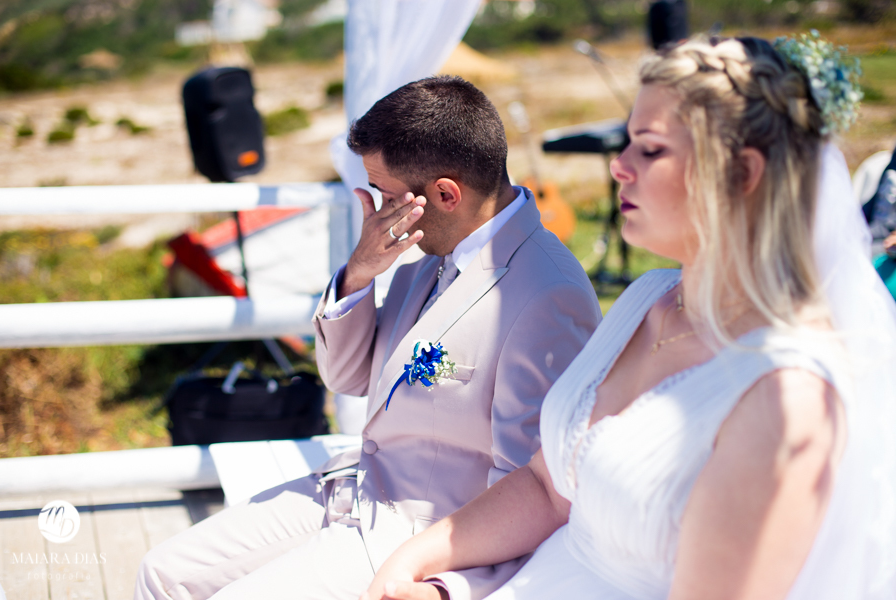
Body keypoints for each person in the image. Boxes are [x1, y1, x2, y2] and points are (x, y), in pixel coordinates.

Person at [363, 36, 896, 600]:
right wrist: (420, 566)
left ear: (740, 173)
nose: (619, 167)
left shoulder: (788, 397)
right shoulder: (649, 299)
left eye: (649, 148)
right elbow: (549, 488)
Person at [134, 76, 601, 600]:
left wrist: (447, 587)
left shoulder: (546, 296)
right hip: (350, 489)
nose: (378, 212)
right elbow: (346, 377)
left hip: (421, 533)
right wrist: (360, 272)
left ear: (445, 194)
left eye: (386, 194)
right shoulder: (421, 257)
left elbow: (535, 488)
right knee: (162, 573)